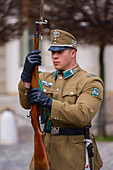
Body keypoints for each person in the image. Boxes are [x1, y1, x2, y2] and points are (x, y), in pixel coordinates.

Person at [18, 29, 103, 170]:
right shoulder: (44, 78)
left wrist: (49, 103)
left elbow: (83, 114)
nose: (55, 57)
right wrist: (26, 77)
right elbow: (26, 104)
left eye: (60, 52)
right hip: (45, 148)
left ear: (73, 53)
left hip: (72, 153)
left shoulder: (90, 81)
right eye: (53, 52)